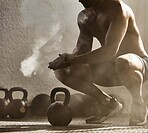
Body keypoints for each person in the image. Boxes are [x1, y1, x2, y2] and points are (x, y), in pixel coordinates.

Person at [48, 0, 148, 126]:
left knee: (123, 61)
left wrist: (71, 60)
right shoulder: (84, 17)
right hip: (109, 68)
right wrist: (65, 60)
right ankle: (108, 103)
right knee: (63, 71)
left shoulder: (118, 9)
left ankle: (139, 104)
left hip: (138, 65)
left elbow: (110, 51)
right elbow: (82, 50)